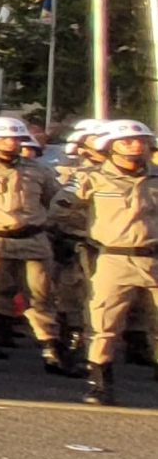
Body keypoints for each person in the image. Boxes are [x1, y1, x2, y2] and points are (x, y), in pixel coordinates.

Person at [55, 117, 158, 405]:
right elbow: (62, 209)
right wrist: (84, 235)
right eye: (127, 141)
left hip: (153, 257)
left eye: (141, 140)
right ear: (110, 146)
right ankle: (100, 382)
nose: (136, 145)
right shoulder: (92, 178)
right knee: (103, 323)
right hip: (113, 258)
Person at [0, 115, 69, 374]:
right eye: (4, 138)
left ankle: (49, 348)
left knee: (40, 295)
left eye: (16, 138)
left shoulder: (37, 169)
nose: (11, 143)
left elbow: (54, 200)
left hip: (32, 237)